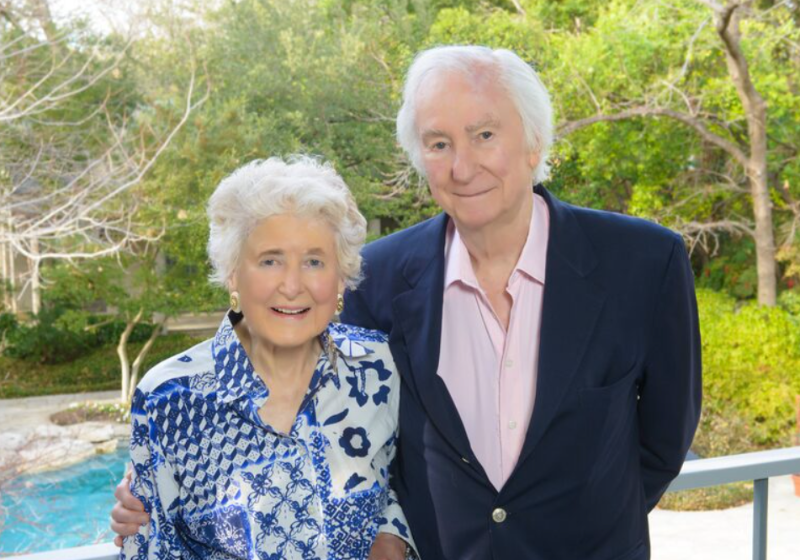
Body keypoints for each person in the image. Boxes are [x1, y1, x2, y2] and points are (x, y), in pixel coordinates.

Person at [113, 46, 702, 560]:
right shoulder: (379, 278)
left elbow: (662, 441)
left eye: (485, 135)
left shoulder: (645, 263)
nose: (462, 165)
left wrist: (587, 526)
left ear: (535, 143)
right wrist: (151, 498)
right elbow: (353, 446)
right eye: (439, 142)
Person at [118, 156, 415, 560]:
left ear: (340, 277)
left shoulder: (380, 365)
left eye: (314, 261)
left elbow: (416, 484)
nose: (292, 286)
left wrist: (393, 537)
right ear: (233, 273)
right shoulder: (167, 397)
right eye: (270, 260)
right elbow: (149, 548)